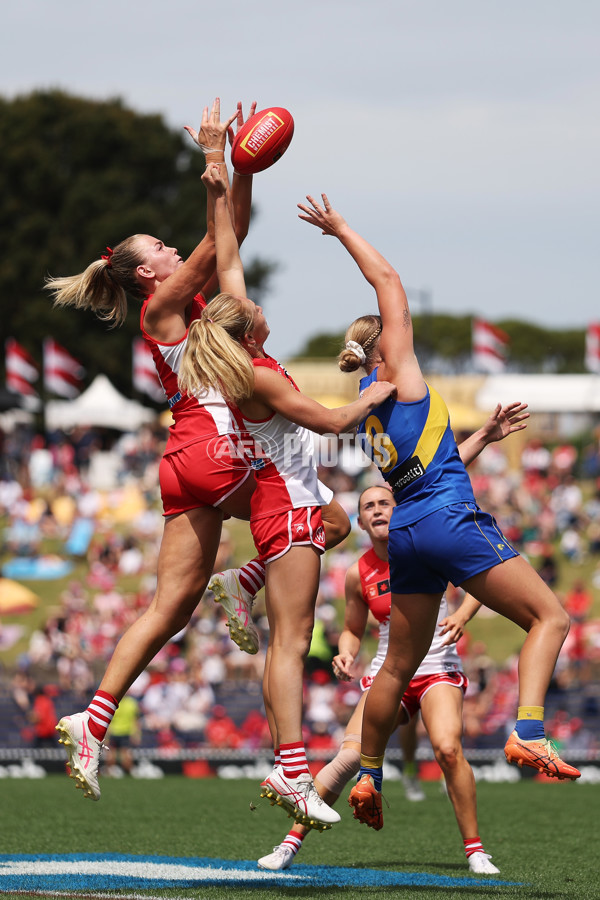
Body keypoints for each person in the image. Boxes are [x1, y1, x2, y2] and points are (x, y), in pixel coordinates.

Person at [44, 98, 318, 802]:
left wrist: (244, 170)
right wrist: (216, 159)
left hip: (185, 465)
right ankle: (252, 585)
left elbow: (231, 234)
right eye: (159, 250)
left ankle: (91, 722)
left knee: (169, 606)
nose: (172, 250)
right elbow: (216, 233)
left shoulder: (190, 307)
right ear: (145, 274)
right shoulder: (161, 308)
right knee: (321, 517)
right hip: (216, 450)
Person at [296, 193, 581, 831]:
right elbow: (389, 281)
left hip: (409, 532)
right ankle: (530, 731)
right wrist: (341, 227)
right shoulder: (404, 378)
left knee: (396, 664)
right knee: (551, 618)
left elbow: (425, 468)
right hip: (448, 520)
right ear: (385, 351)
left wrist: (482, 439)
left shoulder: (368, 407)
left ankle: (368, 771)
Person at [177, 163, 397, 829]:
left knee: (340, 525)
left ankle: (240, 582)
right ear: (248, 331)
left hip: (296, 503)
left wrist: (225, 175)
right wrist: (385, 388)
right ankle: (292, 769)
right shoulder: (259, 376)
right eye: (254, 311)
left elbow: (230, 252)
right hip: (287, 504)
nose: (261, 304)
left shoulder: (247, 355)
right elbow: (332, 422)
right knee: (290, 644)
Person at [258, 399, 528, 874]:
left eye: (385, 501)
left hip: (438, 666)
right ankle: (288, 845)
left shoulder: (425, 538)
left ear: (398, 506)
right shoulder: (357, 573)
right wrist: (345, 654)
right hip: (388, 669)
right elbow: (351, 631)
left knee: (447, 749)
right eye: (369, 507)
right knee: (346, 758)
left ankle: (475, 850)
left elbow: (479, 568)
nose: (379, 509)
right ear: (360, 523)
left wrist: (464, 612)